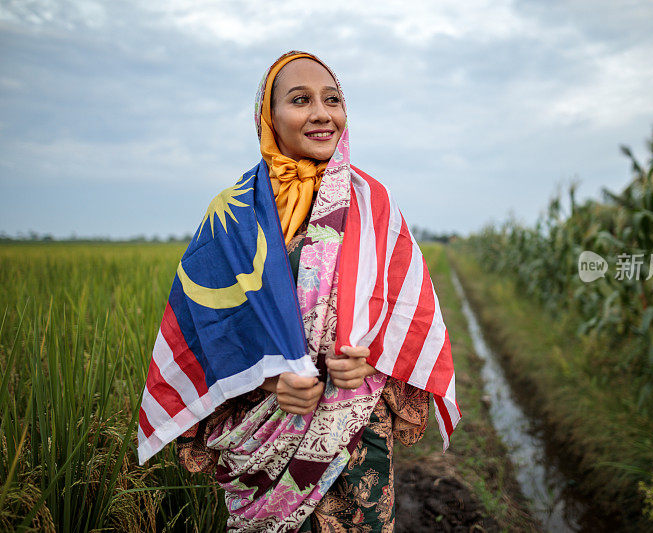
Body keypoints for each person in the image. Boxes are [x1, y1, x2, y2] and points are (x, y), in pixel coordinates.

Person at [139, 51, 459, 532]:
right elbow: (208, 327)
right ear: (269, 117)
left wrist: (371, 359)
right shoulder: (231, 214)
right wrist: (268, 380)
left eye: (332, 99)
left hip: (355, 436)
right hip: (261, 432)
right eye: (300, 100)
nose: (321, 113)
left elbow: (407, 312)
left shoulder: (373, 202)